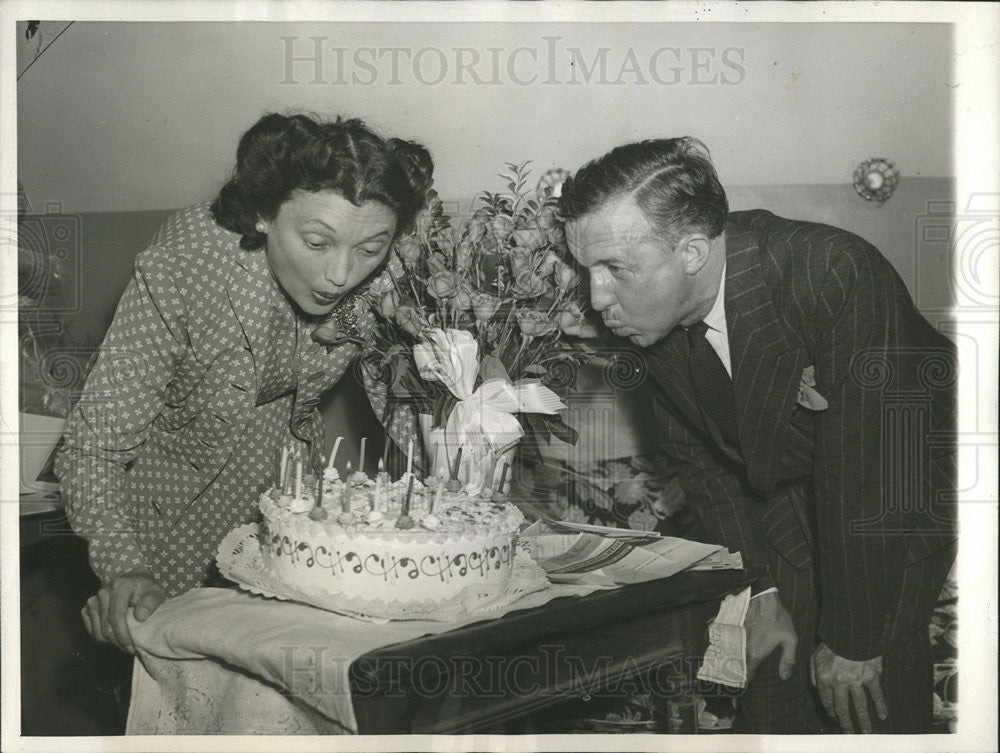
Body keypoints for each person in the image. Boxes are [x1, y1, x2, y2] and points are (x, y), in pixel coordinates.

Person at [559, 138, 957, 734]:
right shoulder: (648, 315)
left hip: (900, 491)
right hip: (787, 488)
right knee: (772, 683)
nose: (596, 299)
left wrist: (853, 643)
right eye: (587, 269)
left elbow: (864, 472)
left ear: (692, 251)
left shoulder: (831, 271)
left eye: (614, 268)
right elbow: (704, 463)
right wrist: (762, 592)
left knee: (868, 691)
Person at [56, 112, 433, 654]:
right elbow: (94, 447)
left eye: (370, 249)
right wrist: (124, 568)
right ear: (262, 214)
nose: (341, 275)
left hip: (274, 505)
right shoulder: (183, 268)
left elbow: (398, 391)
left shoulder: (379, 263)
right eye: (317, 242)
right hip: (156, 511)